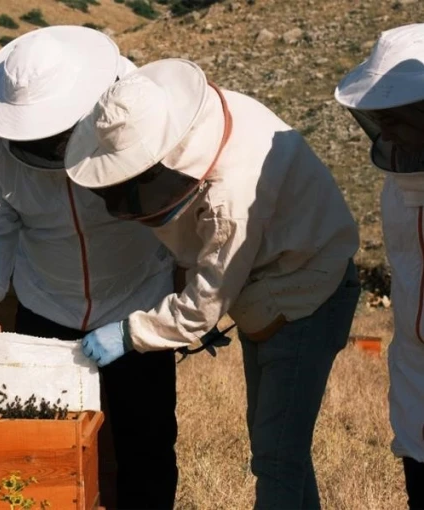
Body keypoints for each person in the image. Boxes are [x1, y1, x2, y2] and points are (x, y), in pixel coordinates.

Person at [64, 58, 361, 509]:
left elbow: (207, 300)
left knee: (276, 455)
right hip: (271, 281)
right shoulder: (193, 127)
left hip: (307, 293)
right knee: (281, 449)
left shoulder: (231, 195)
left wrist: (130, 332)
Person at [0, 26, 179, 509]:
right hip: (47, 307)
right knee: (48, 449)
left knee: (146, 445)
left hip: (137, 303)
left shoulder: (129, 106)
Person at [334, 23, 424, 510]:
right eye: (378, 118)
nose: (385, 132)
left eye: (395, 118)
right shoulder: (397, 183)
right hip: (415, 376)